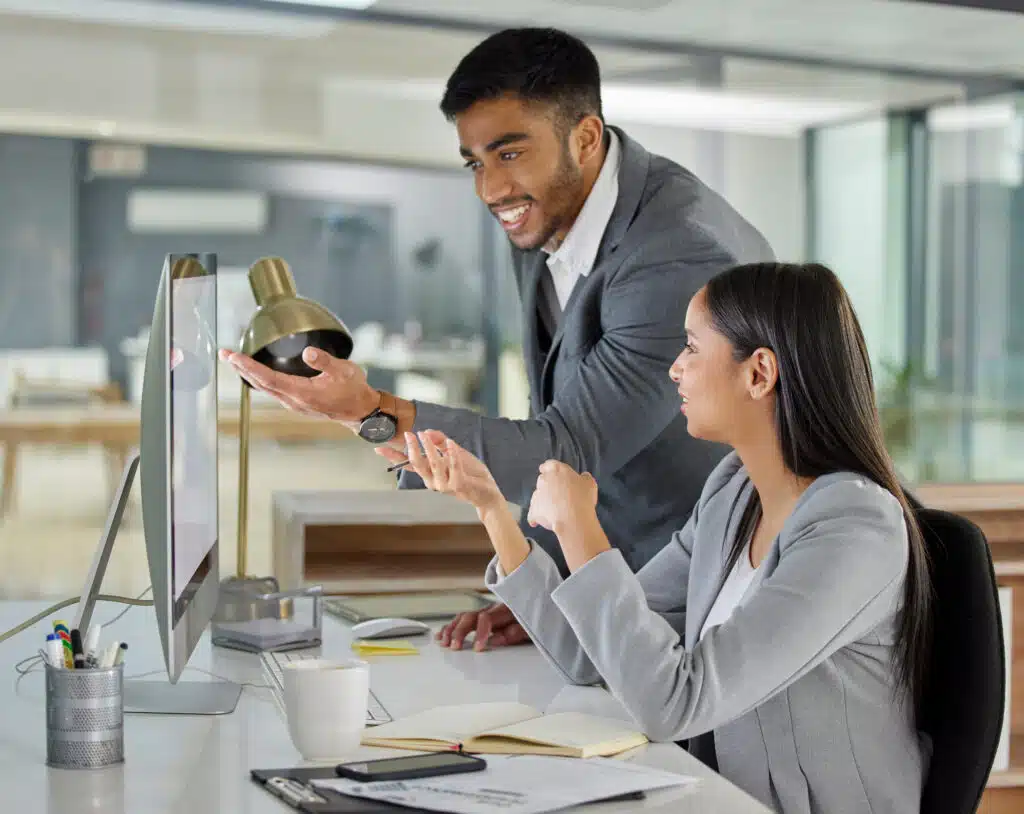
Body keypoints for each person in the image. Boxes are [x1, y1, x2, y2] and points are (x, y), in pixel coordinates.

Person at [220, 27, 773, 651]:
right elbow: (558, 427)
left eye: (509, 154)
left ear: (585, 138)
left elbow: (568, 444)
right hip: (609, 569)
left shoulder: (677, 256)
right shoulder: (548, 214)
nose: (490, 190)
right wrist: (542, 587)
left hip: (706, 587)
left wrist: (368, 412)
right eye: (476, 162)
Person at [400, 262, 933, 814]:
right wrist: (491, 507)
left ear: (759, 374)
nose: (675, 369)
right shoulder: (732, 492)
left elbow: (677, 703)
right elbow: (592, 656)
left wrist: (581, 528)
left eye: (692, 349)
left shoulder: (854, 529)